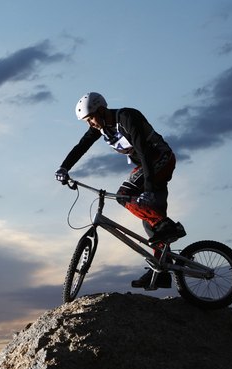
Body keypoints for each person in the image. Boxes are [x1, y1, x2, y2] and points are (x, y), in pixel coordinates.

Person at [55, 92, 185, 289]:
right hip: (148, 166)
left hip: (158, 158)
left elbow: (143, 150)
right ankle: (161, 272)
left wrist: (148, 188)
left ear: (101, 110)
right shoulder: (101, 128)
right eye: (86, 121)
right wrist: (64, 167)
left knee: (124, 194)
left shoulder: (126, 117)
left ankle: (166, 225)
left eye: (90, 118)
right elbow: (81, 146)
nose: (90, 123)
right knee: (151, 222)